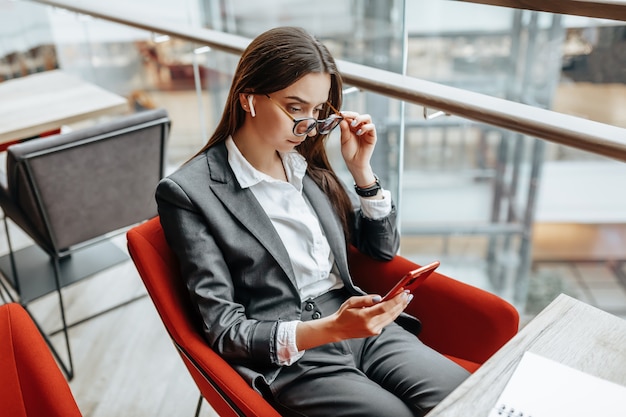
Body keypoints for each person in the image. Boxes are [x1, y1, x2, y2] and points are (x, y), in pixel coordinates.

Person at [156, 26, 469, 417]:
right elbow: (224, 330)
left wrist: (362, 173)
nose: (308, 126)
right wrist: (332, 329)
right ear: (248, 99)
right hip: (292, 354)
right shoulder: (190, 192)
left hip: (357, 322)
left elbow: (381, 249)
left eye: (318, 111)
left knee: (463, 398)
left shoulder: (307, 167)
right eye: (295, 108)